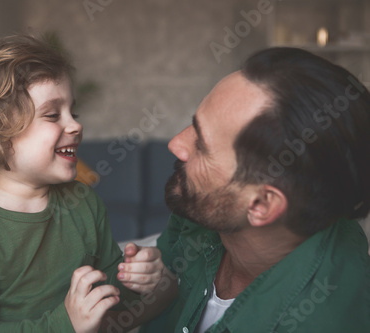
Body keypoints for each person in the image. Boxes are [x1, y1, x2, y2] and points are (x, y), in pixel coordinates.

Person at [0, 35, 175, 333]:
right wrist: (65, 324)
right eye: (53, 114)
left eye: (74, 112)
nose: (76, 125)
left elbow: (112, 305)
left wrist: (148, 283)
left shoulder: (82, 201)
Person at [141, 47, 370, 333]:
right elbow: (147, 293)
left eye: (202, 145)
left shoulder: (319, 319)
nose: (175, 143)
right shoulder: (205, 205)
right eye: (192, 123)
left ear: (261, 205)